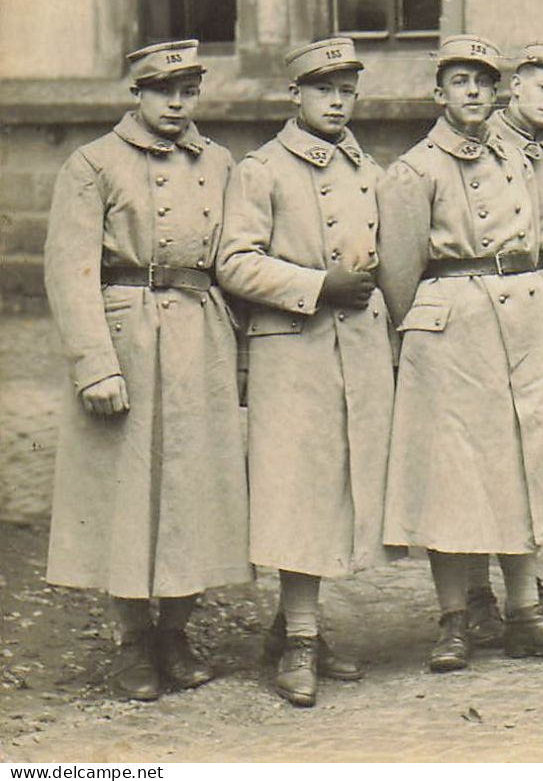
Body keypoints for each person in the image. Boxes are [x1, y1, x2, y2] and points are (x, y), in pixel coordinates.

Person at [378, 35, 543, 672]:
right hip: (452, 331)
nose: (473, 91)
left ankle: (525, 611)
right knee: (454, 476)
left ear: (497, 92)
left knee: (523, 464)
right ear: (438, 93)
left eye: (483, 81)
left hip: (523, 317)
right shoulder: (415, 170)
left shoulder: (520, 160)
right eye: (459, 81)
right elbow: (399, 276)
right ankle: (456, 619)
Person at [43, 39, 248, 701]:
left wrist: (242, 354)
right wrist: (94, 363)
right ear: (138, 93)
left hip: (199, 332)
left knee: (193, 484)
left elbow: (234, 260)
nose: (177, 103)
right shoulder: (93, 163)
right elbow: (69, 270)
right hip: (126, 331)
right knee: (126, 490)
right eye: (164, 91)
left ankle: (176, 634)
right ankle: (132, 639)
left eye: (188, 90)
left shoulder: (217, 162)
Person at [217, 37, 393, 706]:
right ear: (297, 95)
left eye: (347, 90)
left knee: (337, 492)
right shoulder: (261, 170)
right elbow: (233, 261)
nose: (337, 102)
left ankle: (296, 629)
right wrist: (317, 284)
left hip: (358, 351)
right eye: (324, 90)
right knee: (299, 491)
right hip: (293, 348)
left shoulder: (365, 169)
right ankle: (299, 642)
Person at [465, 42, 543, 646]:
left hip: (536, 301)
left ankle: (523, 591)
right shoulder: (483, 144)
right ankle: (477, 597)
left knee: (526, 457)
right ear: (513, 86)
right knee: (481, 458)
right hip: (483, 308)